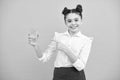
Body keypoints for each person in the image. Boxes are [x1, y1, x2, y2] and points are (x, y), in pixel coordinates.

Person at [28, 4, 93, 80]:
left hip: (77, 76)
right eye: (69, 21)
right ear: (65, 23)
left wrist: (65, 49)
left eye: (76, 20)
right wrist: (35, 45)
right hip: (59, 75)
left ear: (81, 21)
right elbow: (44, 58)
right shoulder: (58, 37)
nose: (73, 23)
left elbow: (80, 66)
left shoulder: (86, 40)